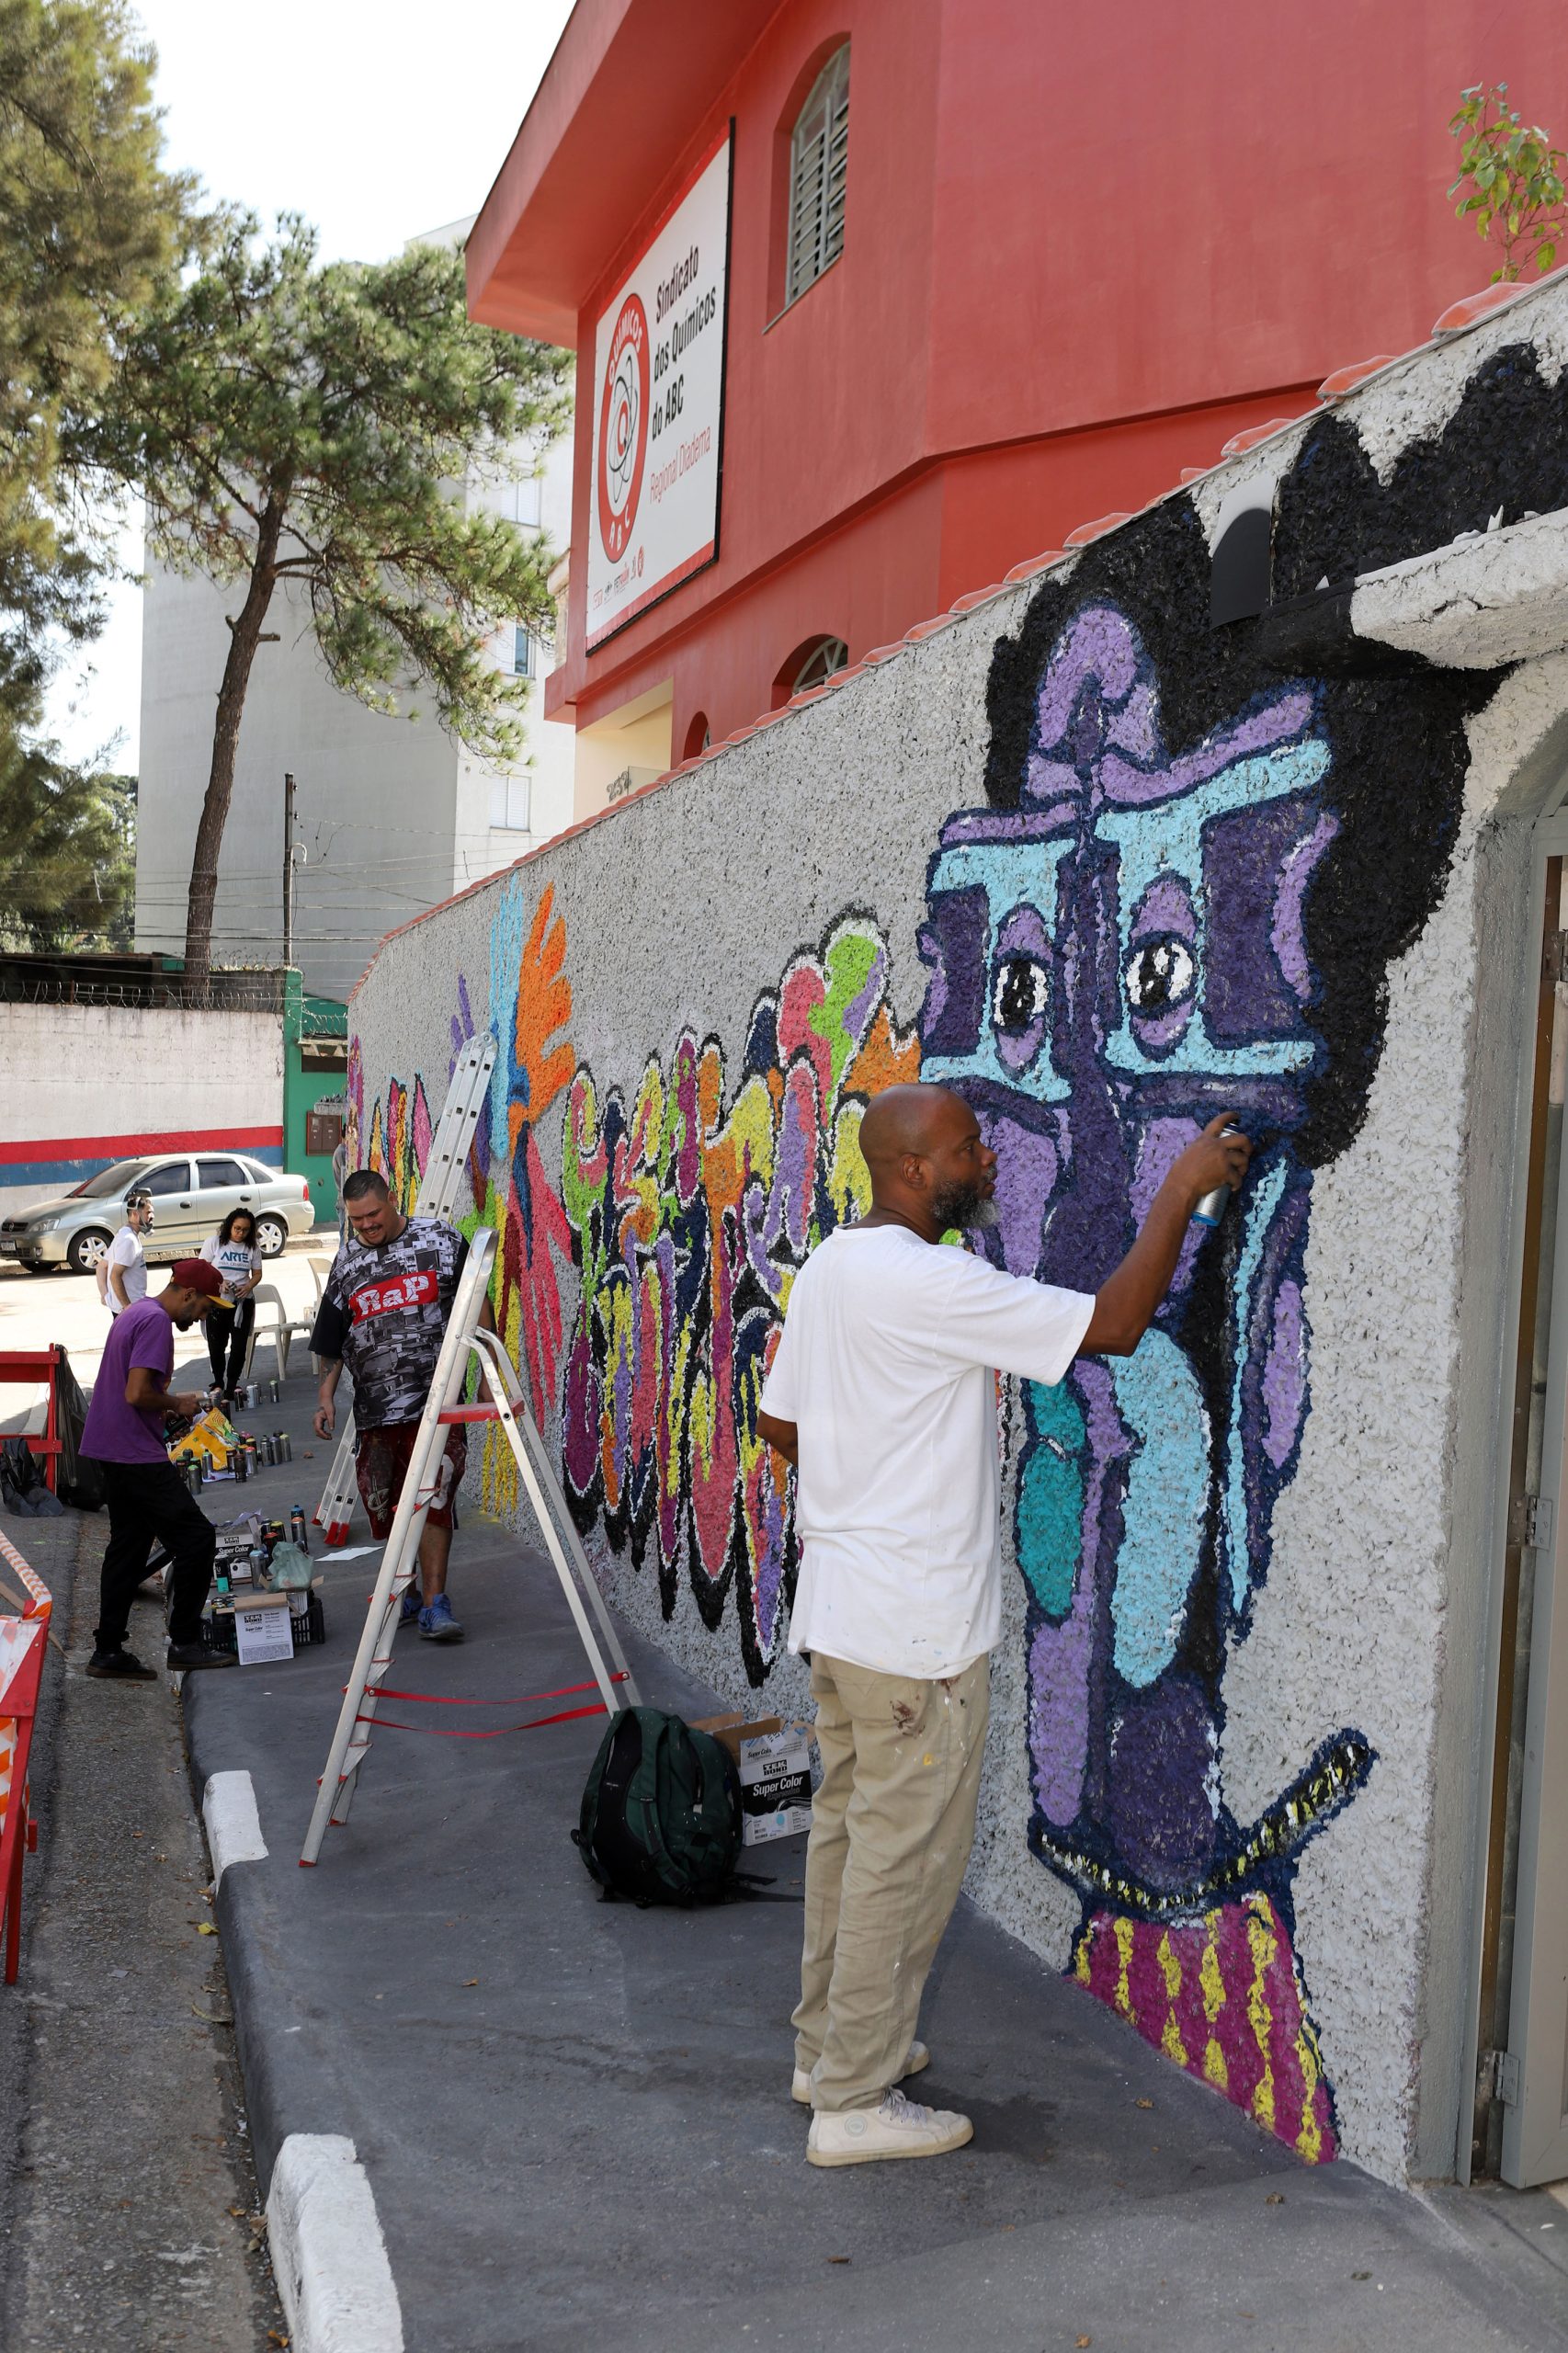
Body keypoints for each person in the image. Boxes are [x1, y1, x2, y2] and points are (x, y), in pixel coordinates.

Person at [756, 1084, 1250, 2169]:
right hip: (914, 1635)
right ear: (912, 1170)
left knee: (846, 1841)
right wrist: (1180, 1187)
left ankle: (825, 2051)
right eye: (965, 1147)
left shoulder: (835, 1265)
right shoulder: (935, 1281)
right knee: (902, 1858)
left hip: (843, 1613)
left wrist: (868, 1483)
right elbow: (1112, 1324)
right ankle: (852, 2099)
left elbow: (775, 1418)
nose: (984, 1158)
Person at [309, 1170, 486, 1642]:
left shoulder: (441, 1240)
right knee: (386, 1508)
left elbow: (476, 1302)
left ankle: (435, 1603)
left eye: (373, 1215)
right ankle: (408, 1590)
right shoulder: (347, 1262)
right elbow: (331, 1337)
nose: (367, 1227)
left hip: (437, 1402)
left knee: (433, 1499)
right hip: (375, 1412)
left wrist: (488, 1372)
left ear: (391, 1198)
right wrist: (326, 1396)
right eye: (357, 1221)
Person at [79, 1257, 234, 1679]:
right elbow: (136, 1392)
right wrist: (176, 1403)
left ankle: (107, 1650)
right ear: (188, 1294)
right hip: (133, 1454)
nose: (202, 1316)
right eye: (203, 1308)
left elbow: (128, 1390)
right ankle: (184, 1642)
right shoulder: (155, 1324)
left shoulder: (137, 1311)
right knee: (197, 1539)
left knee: (127, 1548)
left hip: (112, 1448)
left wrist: (162, 1412)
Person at [200, 1206, 264, 1400]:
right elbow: (201, 1269)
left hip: (242, 1304)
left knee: (239, 1346)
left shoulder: (252, 1247)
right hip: (218, 1303)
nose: (240, 1233)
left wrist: (248, 1287)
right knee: (216, 1345)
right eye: (237, 1228)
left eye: (245, 1230)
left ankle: (232, 1384)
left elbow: (257, 1274)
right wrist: (220, 1283)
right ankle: (218, 1382)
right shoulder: (215, 1243)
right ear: (229, 1226)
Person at [97, 1188, 153, 1317]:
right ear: (134, 1214)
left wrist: (106, 1296)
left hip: (125, 1309)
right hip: (129, 1311)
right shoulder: (128, 1240)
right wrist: (128, 1308)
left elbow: (101, 1267)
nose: (152, 1217)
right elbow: (114, 1276)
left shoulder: (124, 1234)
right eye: (148, 1212)